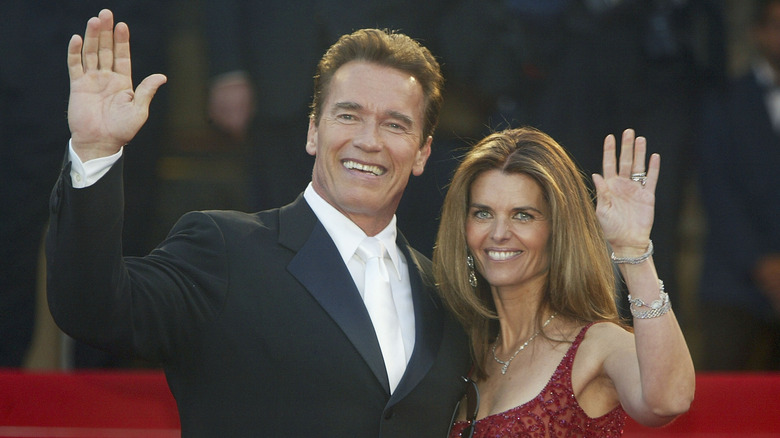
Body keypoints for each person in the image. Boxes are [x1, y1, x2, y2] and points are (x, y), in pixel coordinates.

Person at [45, 9, 469, 436]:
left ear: (422, 153)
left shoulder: (445, 298)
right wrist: (95, 151)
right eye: (348, 116)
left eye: (395, 124)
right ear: (312, 132)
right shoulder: (224, 250)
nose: (368, 140)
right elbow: (94, 307)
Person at [433, 127, 695, 436]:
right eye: (482, 213)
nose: (499, 232)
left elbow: (668, 400)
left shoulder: (597, 344)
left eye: (523, 215)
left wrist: (633, 251)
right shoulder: (467, 355)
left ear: (558, 231)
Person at [697, 0, 780, 371]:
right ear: (758, 32)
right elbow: (717, 192)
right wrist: (762, 264)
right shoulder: (724, 102)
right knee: (725, 406)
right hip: (733, 282)